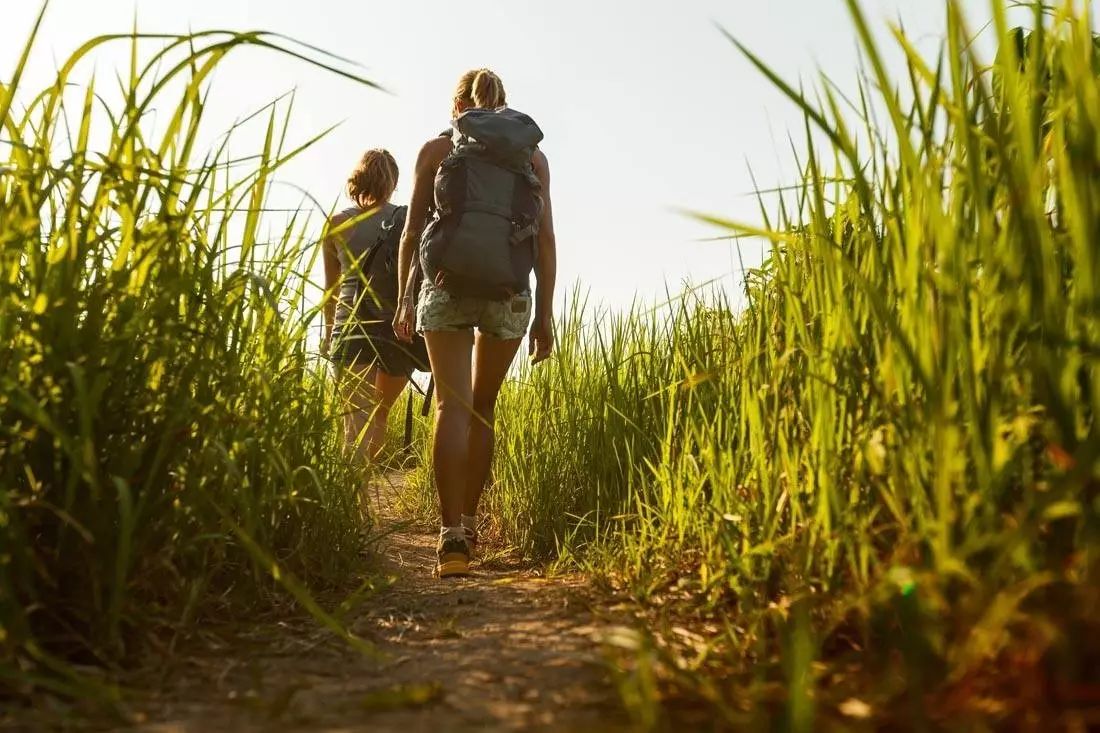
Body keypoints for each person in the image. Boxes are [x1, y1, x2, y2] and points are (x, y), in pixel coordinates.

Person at [393, 69, 557, 578]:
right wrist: (545, 313)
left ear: (458, 105)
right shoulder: (531, 157)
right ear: (502, 107)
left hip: (445, 284)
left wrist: (404, 298)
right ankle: (470, 519)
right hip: (509, 292)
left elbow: (411, 231)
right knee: (483, 409)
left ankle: (451, 539)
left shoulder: (436, 150)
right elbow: (546, 238)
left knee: (451, 406)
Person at [323, 149, 427, 462]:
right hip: (397, 331)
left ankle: (350, 504)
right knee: (378, 416)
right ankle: (363, 495)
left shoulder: (338, 224)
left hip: (352, 330)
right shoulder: (407, 220)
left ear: (358, 179)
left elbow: (331, 289)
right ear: (393, 183)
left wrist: (329, 335)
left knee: (354, 425)